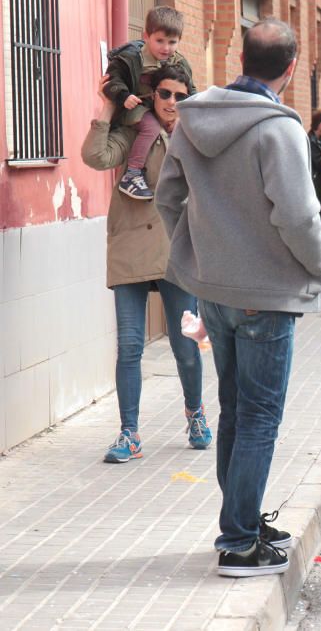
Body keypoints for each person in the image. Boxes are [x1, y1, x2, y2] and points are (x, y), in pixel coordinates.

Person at [156, 18, 321, 577]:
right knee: (258, 417)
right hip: (265, 292)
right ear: (291, 67)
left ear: (238, 56)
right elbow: (300, 215)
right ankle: (237, 541)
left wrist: (193, 253)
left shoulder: (193, 118)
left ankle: (244, 520)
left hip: (215, 289)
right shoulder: (278, 129)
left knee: (236, 410)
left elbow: (167, 195)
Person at [83, 65, 208, 464]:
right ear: (153, 95)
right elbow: (95, 156)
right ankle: (129, 433)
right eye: (166, 94)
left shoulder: (196, 137)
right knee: (130, 345)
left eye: (181, 96)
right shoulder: (135, 133)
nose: (173, 102)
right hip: (132, 249)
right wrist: (108, 108)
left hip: (178, 253)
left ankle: (196, 414)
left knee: (187, 345)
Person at [103, 6, 196, 201]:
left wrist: (190, 111)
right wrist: (123, 96)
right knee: (151, 128)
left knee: (176, 129)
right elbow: (112, 81)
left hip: (160, 108)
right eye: (160, 41)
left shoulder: (179, 62)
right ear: (146, 36)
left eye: (172, 42)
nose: (166, 48)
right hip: (133, 108)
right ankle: (133, 173)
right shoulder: (129, 58)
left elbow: (190, 89)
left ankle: (173, 174)